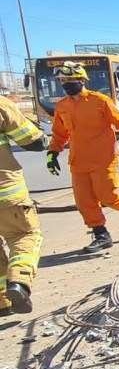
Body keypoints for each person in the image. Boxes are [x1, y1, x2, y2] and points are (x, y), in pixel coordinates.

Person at [46, 61, 119, 253]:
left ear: (82, 80)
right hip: (78, 161)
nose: (66, 84)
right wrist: (53, 153)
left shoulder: (100, 100)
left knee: (109, 197)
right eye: (63, 80)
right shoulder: (62, 106)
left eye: (70, 80)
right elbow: (59, 133)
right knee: (84, 201)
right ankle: (101, 235)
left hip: (103, 159)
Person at [0, 96, 46, 315]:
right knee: (25, 236)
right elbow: (33, 141)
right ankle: (18, 282)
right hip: (6, 195)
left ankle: (2, 303)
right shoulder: (1, 105)